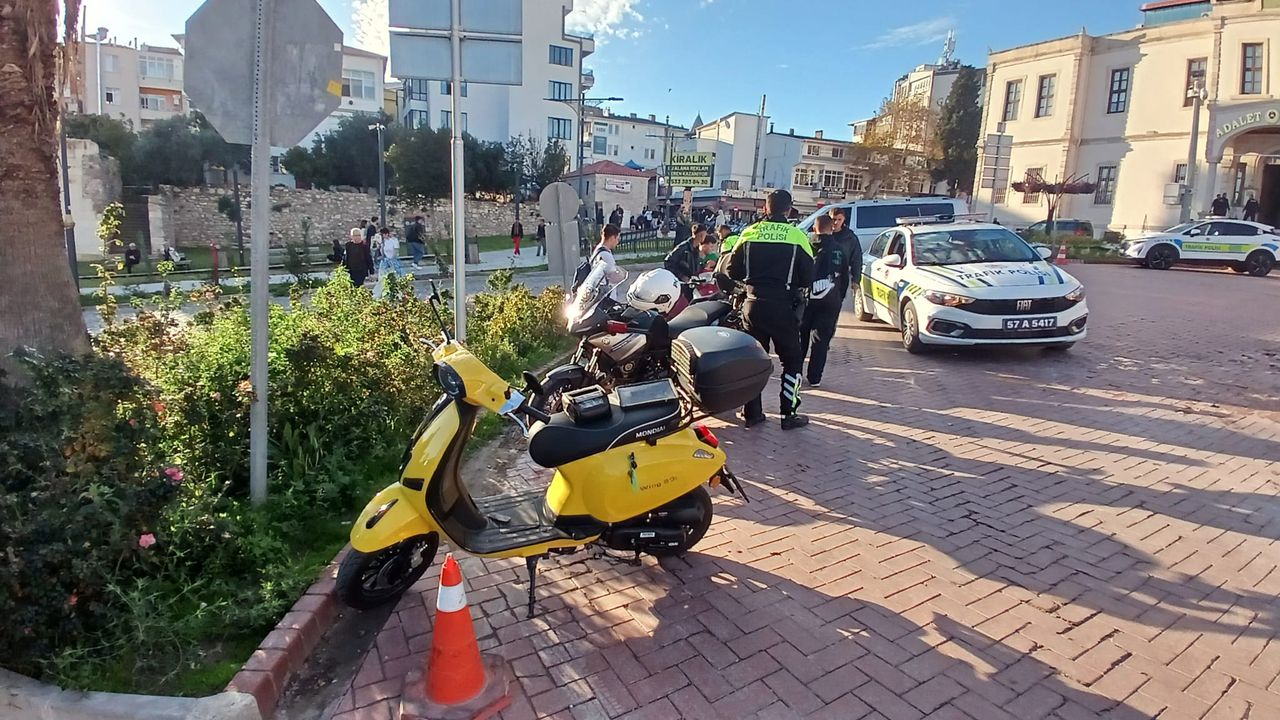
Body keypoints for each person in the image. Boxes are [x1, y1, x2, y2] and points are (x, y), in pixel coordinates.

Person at [724, 189, 814, 430]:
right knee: (792, 360)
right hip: (783, 306)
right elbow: (808, 277)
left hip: (753, 305)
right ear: (788, 209)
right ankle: (789, 414)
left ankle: (752, 412)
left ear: (765, 208)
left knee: (754, 361)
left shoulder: (749, 233)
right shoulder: (797, 236)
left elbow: (731, 270)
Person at [800, 214, 856, 388]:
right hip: (830, 301)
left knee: (800, 338)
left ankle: (795, 373)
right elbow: (845, 277)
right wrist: (839, 297)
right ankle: (815, 377)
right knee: (821, 341)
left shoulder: (806, 247)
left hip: (806, 299)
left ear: (814, 228)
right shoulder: (839, 249)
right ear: (831, 228)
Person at [826, 206, 863, 304]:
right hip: (823, 275)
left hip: (841, 276)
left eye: (839, 219)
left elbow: (856, 259)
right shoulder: (824, 234)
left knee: (836, 304)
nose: (836, 222)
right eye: (834, 219)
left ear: (844, 220)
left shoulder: (850, 237)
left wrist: (856, 280)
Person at [592, 223, 627, 300]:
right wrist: (622, 275)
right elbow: (613, 277)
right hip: (607, 297)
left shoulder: (598, 249)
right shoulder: (606, 255)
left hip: (600, 294)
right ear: (612, 238)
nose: (617, 242)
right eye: (617, 238)